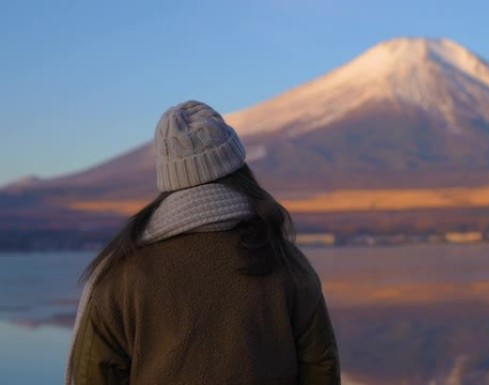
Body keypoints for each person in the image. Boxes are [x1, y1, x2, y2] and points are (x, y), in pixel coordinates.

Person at [65, 100, 340, 385]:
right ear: (238, 169)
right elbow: (321, 369)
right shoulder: (284, 262)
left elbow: (92, 376)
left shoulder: (120, 274)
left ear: (170, 177)